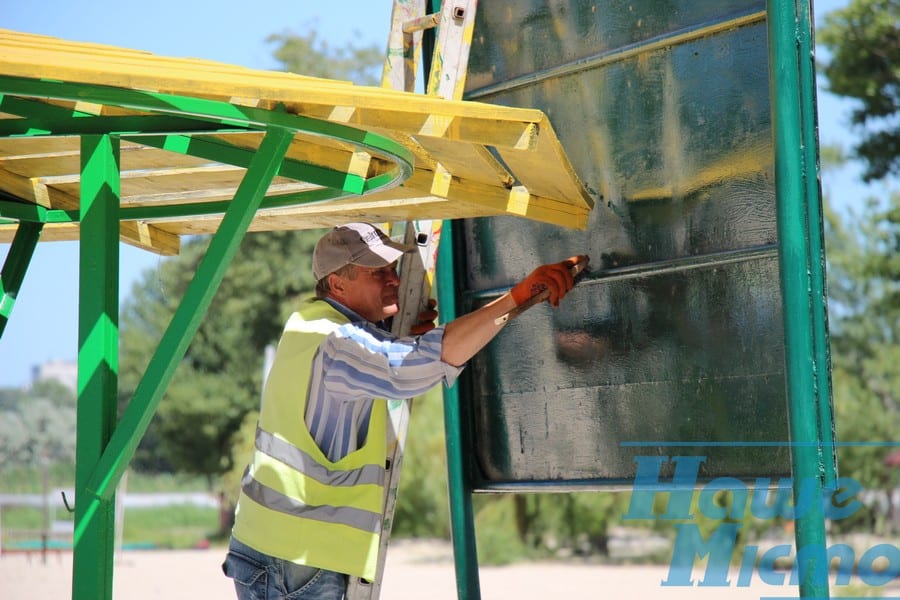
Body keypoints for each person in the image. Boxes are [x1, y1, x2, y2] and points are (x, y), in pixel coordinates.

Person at [223, 222, 579, 599]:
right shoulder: (338, 344)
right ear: (338, 285)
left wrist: (394, 334)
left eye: (393, 269)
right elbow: (413, 367)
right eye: (379, 273)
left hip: (278, 548)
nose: (393, 279)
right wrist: (518, 297)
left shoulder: (308, 323)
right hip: (295, 559)